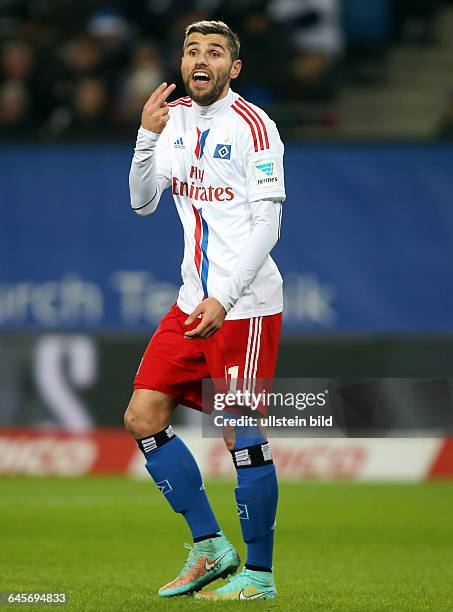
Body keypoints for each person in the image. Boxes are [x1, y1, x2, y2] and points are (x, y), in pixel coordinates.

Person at [125, 20, 286, 601]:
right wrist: (145, 137)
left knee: (239, 431)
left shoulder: (255, 127)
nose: (201, 58)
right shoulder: (173, 121)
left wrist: (227, 296)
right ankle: (209, 547)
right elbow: (143, 203)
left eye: (215, 52)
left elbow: (267, 224)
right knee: (143, 416)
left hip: (244, 306)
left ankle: (260, 576)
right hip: (191, 301)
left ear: (233, 69)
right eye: (193, 50)